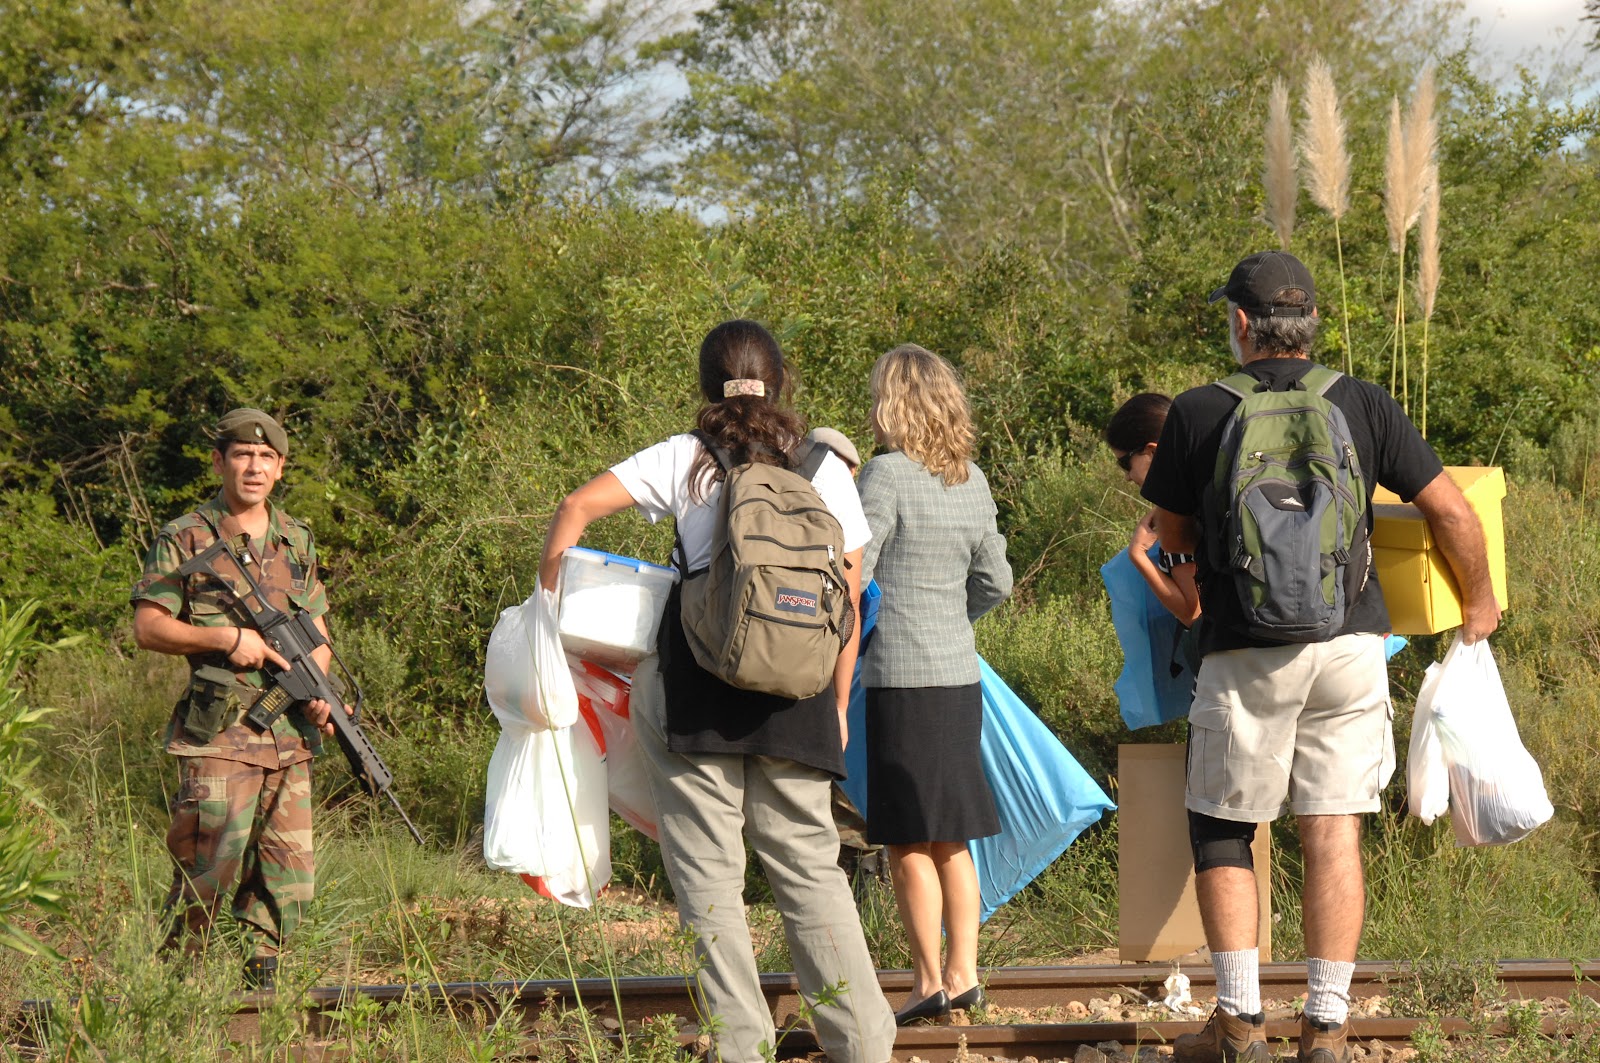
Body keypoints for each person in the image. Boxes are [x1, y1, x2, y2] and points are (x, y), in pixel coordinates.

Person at [1140, 252, 1500, 1063]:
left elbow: (1171, 535)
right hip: (1350, 641)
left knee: (1224, 826)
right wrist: (1480, 600)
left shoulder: (1199, 411)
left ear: (1240, 324)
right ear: (1310, 327)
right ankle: (1327, 1028)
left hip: (1246, 649)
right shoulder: (1364, 402)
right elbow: (1451, 510)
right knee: (1332, 829)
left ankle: (1239, 1022)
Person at [538, 320, 896, 1063]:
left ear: (708, 384)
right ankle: (862, 1043)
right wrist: (835, 702)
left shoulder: (685, 458)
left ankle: (742, 1046)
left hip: (697, 689)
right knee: (810, 871)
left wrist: (546, 610)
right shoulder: (826, 467)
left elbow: (574, 508)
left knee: (709, 876)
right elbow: (852, 592)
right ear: (781, 379)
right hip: (797, 697)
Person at [131, 408, 348, 990]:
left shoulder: (296, 538)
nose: (254, 467)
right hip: (219, 735)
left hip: (289, 740)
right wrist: (227, 638)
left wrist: (320, 693)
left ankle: (263, 981)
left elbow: (317, 633)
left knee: (288, 877)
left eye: (266, 458)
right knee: (207, 868)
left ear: (280, 469)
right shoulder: (185, 536)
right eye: (242, 456)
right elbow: (150, 628)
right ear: (220, 461)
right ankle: (177, 988)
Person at [856, 344, 1013, 1025]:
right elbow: (997, 582)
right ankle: (965, 972)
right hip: (957, 675)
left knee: (906, 838)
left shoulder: (885, 475)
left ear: (892, 404)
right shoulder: (971, 479)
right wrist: (952, 617)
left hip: (900, 677)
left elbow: (856, 571)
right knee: (952, 834)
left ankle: (926, 981)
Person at [1105, 393, 1200, 628]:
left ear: (1152, 452)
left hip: (1234, 658)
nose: (1127, 477)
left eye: (1124, 463)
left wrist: (1138, 555)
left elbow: (1194, 615)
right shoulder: (1208, 486)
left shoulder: (1176, 513)